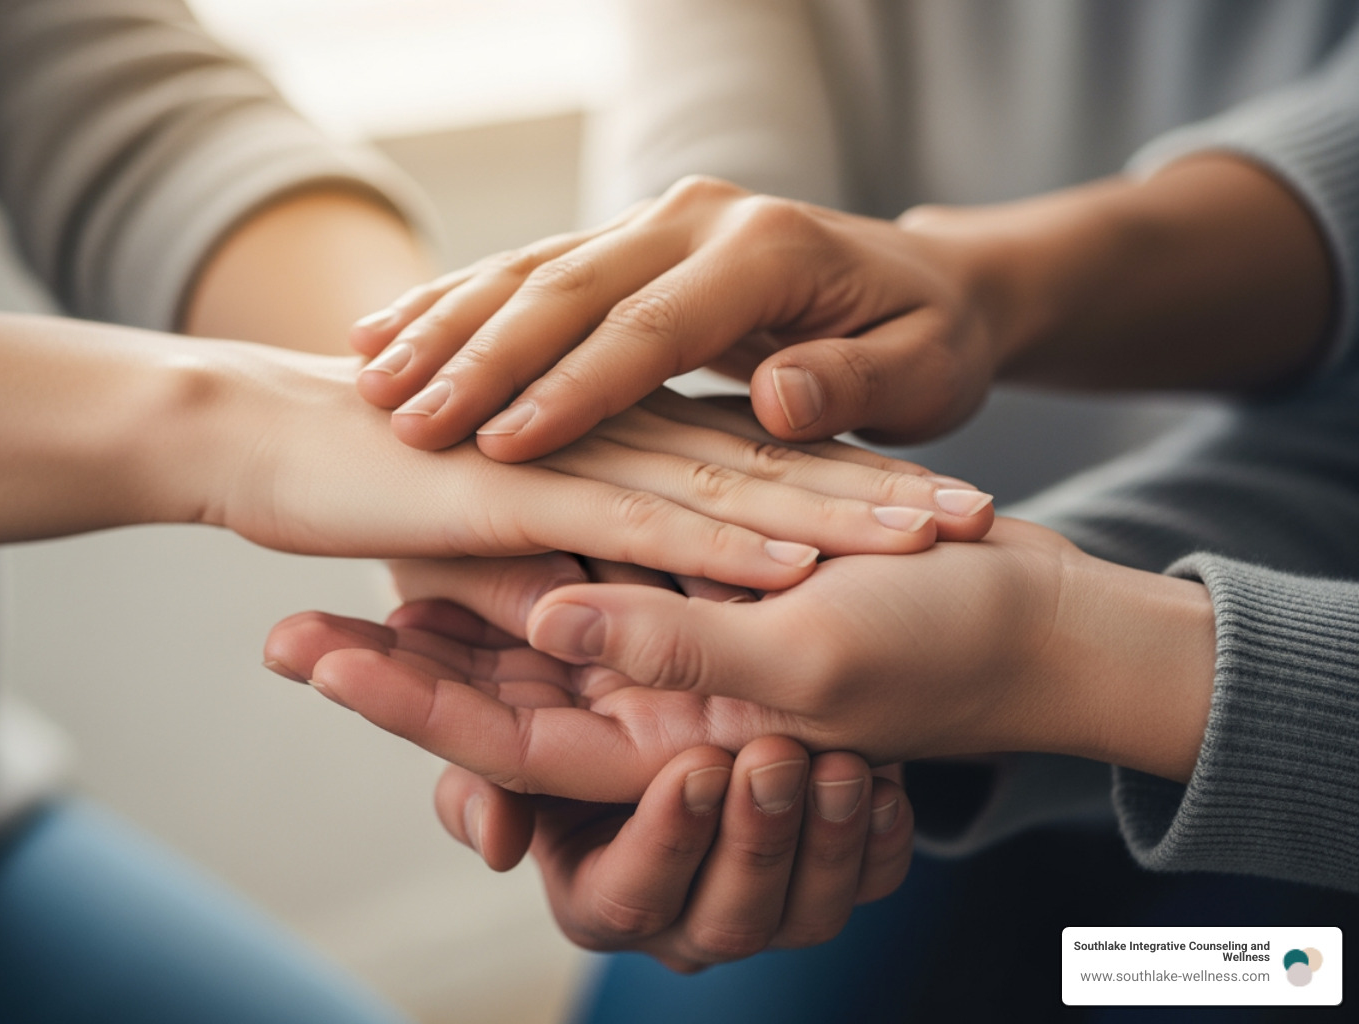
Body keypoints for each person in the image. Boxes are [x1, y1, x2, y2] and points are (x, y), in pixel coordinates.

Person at [0, 1, 992, 1018]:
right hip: (977, 764)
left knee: (1146, 970)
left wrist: (434, 410)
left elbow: (127, 109)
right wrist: (245, 426)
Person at [266, 0, 1359, 1018]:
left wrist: (1052, 642)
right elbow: (713, 194)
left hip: (1254, 724)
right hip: (920, 719)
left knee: (1248, 976)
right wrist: (683, 346)